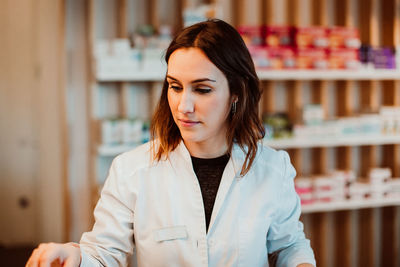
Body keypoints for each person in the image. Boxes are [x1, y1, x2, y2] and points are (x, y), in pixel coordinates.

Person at [26, 19, 316, 267]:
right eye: (175, 87)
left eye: (202, 89)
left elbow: (288, 246)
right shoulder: (131, 170)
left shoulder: (272, 169)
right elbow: (103, 255)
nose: (183, 106)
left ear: (236, 92)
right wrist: (74, 257)